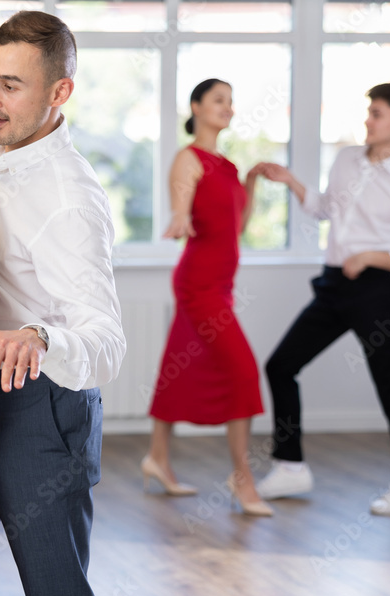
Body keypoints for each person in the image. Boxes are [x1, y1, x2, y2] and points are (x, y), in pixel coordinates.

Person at [0, 11, 127, 596]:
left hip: (41, 408)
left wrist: (42, 337)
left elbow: (107, 338)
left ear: (59, 93)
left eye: (11, 85)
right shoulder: (5, 154)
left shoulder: (70, 196)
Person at [256, 83, 390, 516]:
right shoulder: (345, 160)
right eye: (368, 112)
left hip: (376, 289)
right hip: (334, 285)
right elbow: (324, 209)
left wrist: (372, 257)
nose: (368, 120)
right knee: (281, 365)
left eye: (376, 113)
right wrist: (292, 183)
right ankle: (290, 465)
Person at [142, 79, 272, 517]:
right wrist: (179, 217)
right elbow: (181, 203)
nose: (228, 108)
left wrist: (251, 182)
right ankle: (242, 477)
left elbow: (236, 225)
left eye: (231, 102)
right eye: (219, 100)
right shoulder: (189, 158)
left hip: (220, 284)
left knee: (179, 368)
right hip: (199, 285)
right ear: (196, 107)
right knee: (243, 372)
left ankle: (157, 458)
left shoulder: (227, 165)